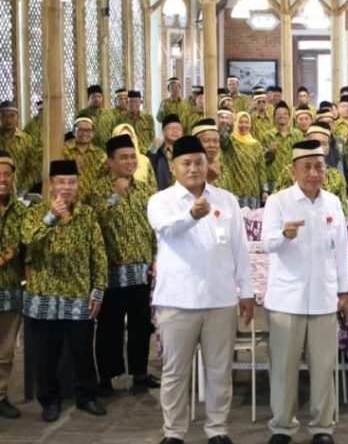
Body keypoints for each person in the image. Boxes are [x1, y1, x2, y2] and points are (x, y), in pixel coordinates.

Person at [148, 135, 254, 444]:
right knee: (175, 371)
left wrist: (246, 291)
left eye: (199, 162)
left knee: (219, 370)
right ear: (173, 167)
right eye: (186, 163)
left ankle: (217, 429)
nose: (193, 168)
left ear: (208, 165)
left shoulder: (226, 200)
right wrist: (191, 215)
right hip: (177, 300)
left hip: (220, 298)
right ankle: (173, 432)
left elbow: (240, 247)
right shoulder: (161, 201)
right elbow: (166, 229)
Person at [262, 140, 348, 444]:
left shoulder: (333, 202)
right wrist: (283, 235)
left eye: (319, 167)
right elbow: (266, 243)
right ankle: (282, 427)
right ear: (293, 171)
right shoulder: (279, 201)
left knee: (324, 367)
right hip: (287, 300)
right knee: (284, 369)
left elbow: (341, 250)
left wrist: (344, 292)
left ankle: (323, 427)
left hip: (324, 298)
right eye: (307, 167)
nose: (313, 173)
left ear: (326, 169)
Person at [22, 160, 108, 422]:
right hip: (43, 296)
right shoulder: (35, 213)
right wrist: (51, 217)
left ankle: (87, 396)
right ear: (51, 185)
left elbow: (98, 254)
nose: (67, 187)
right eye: (61, 182)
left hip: (78, 294)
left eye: (72, 182)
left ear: (78, 184)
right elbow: (28, 240)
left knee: (83, 350)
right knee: (46, 354)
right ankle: (49, 401)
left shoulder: (87, 214)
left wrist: (98, 289)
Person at [88, 134, 159, 396]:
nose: (130, 162)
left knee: (141, 325)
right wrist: (115, 195)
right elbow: (97, 222)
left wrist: (155, 257)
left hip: (142, 270)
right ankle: (107, 377)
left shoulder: (145, 191)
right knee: (110, 327)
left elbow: (153, 227)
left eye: (133, 157)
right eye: (123, 157)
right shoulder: (98, 190)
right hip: (111, 271)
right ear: (110, 162)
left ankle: (139, 373)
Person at [0, 152, 25, 419]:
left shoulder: (20, 211)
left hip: (9, 290)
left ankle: (1, 395)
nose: (2, 179)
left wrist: (6, 255)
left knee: (5, 351)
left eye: (7, 174)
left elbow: (23, 240)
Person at [219, 112, 269, 209]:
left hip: (253, 192)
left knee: (253, 217)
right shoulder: (231, 142)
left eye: (247, 122)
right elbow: (222, 139)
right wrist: (229, 124)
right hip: (235, 192)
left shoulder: (256, 144)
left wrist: (264, 190)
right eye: (240, 122)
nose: (244, 125)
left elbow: (261, 169)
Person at [0, 101, 40, 196]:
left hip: (19, 191)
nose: (8, 120)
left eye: (12, 116)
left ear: (18, 117)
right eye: (4, 116)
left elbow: (33, 167)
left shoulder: (26, 140)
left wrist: (24, 188)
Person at [63, 116, 108, 200]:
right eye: (80, 130)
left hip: (92, 201)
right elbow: (52, 172)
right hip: (67, 200)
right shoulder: (63, 150)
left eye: (88, 130)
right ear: (74, 131)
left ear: (93, 133)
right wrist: (71, 166)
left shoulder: (100, 154)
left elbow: (106, 178)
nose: (84, 133)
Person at [149, 114, 184, 191]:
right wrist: (153, 147)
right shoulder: (157, 150)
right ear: (163, 131)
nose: (175, 131)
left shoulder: (186, 151)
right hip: (162, 192)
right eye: (172, 128)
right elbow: (148, 163)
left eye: (178, 128)